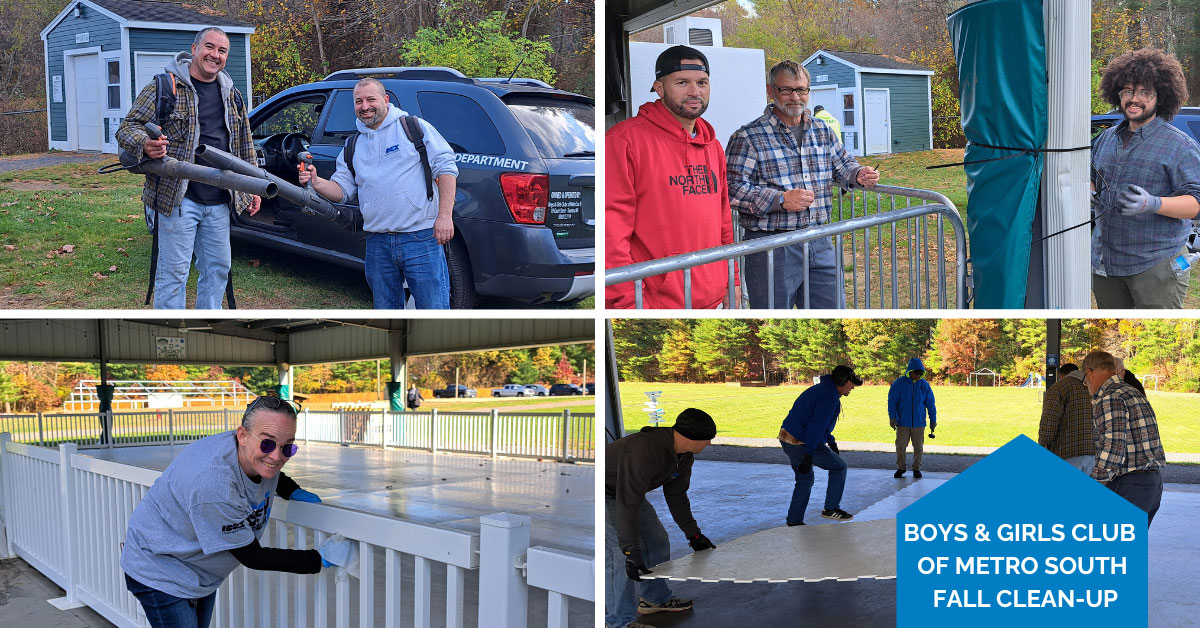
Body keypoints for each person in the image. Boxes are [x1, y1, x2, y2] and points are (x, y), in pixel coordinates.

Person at [121, 396, 356, 627]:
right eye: (267, 443)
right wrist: (318, 559)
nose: (276, 456)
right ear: (242, 435)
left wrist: (292, 490)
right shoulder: (213, 485)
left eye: (288, 448)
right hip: (160, 568)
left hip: (195, 567)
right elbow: (253, 556)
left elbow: (269, 467)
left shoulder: (246, 451)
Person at [116, 27, 260, 310]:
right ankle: (170, 337)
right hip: (178, 199)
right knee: (173, 274)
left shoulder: (232, 94)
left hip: (220, 200)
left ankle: (209, 331)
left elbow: (245, 145)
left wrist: (253, 185)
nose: (215, 55)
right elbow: (127, 128)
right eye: (209, 47)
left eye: (222, 51)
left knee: (218, 269)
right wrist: (146, 144)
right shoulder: (165, 86)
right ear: (194, 49)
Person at [726, 59, 880, 309]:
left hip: (819, 240)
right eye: (786, 90)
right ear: (771, 91)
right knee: (772, 326)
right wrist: (780, 200)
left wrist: (858, 174)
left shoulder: (822, 130)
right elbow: (731, 189)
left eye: (801, 90)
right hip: (772, 246)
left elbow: (843, 165)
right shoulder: (747, 137)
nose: (795, 97)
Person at [299, 78, 458, 309]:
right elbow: (342, 191)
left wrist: (444, 217)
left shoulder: (413, 128)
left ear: (385, 100)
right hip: (377, 242)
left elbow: (446, 169)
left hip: (420, 238)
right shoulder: (353, 145)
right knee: (386, 315)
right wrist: (316, 181)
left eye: (371, 99)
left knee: (433, 312)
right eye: (358, 101)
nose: (365, 106)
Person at [606, 45, 740, 309]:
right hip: (655, 304)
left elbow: (724, 220)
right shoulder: (624, 141)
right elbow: (612, 232)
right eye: (682, 82)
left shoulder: (713, 146)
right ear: (659, 88)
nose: (694, 91)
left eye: (702, 82)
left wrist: (731, 281)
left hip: (710, 299)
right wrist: (628, 303)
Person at [1091, 48, 1200, 309]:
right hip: (1106, 264)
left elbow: (1196, 203)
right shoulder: (1106, 139)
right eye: (1127, 91)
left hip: (1156, 265)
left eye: (1144, 92)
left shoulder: (1180, 145)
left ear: (1160, 97)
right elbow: (1093, 177)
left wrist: (1153, 203)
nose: (1134, 99)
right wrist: (1090, 190)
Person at [605, 408, 717, 628]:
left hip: (630, 492)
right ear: (689, 437)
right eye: (707, 439)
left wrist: (693, 534)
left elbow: (676, 495)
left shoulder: (684, 456)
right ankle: (618, 621)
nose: (710, 444)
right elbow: (628, 503)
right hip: (605, 492)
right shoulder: (643, 452)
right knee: (620, 558)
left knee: (657, 541)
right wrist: (631, 549)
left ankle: (654, 599)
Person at [1081, 351, 1166, 527]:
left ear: (1089, 372)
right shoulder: (1133, 392)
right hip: (1151, 484)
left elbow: (1114, 447)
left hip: (1129, 484)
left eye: (1085, 379)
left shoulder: (1110, 397)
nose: (1086, 384)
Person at [778, 365, 862, 526]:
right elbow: (815, 426)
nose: (852, 387)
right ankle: (831, 508)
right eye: (851, 384)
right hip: (802, 442)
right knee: (839, 467)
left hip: (788, 437)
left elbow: (815, 421)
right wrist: (809, 455)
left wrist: (831, 441)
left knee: (804, 480)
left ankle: (794, 521)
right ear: (841, 381)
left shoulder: (823, 390)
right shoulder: (829, 397)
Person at [1037, 363, 1096, 474]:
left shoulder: (1059, 388)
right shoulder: (1094, 386)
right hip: (1095, 452)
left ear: (1062, 376)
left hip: (1067, 451)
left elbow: (1049, 420)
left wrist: (1043, 442)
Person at [888, 358, 937, 479]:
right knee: (900, 446)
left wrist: (933, 420)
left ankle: (916, 468)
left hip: (919, 423)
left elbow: (931, 403)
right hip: (902, 422)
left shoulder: (924, 385)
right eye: (916, 373)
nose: (918, 375)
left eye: (921, 373)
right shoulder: (899, 383)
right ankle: (901, 467)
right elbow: (892, 401)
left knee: (918, 447)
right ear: (910, 371)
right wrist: (892, 417)